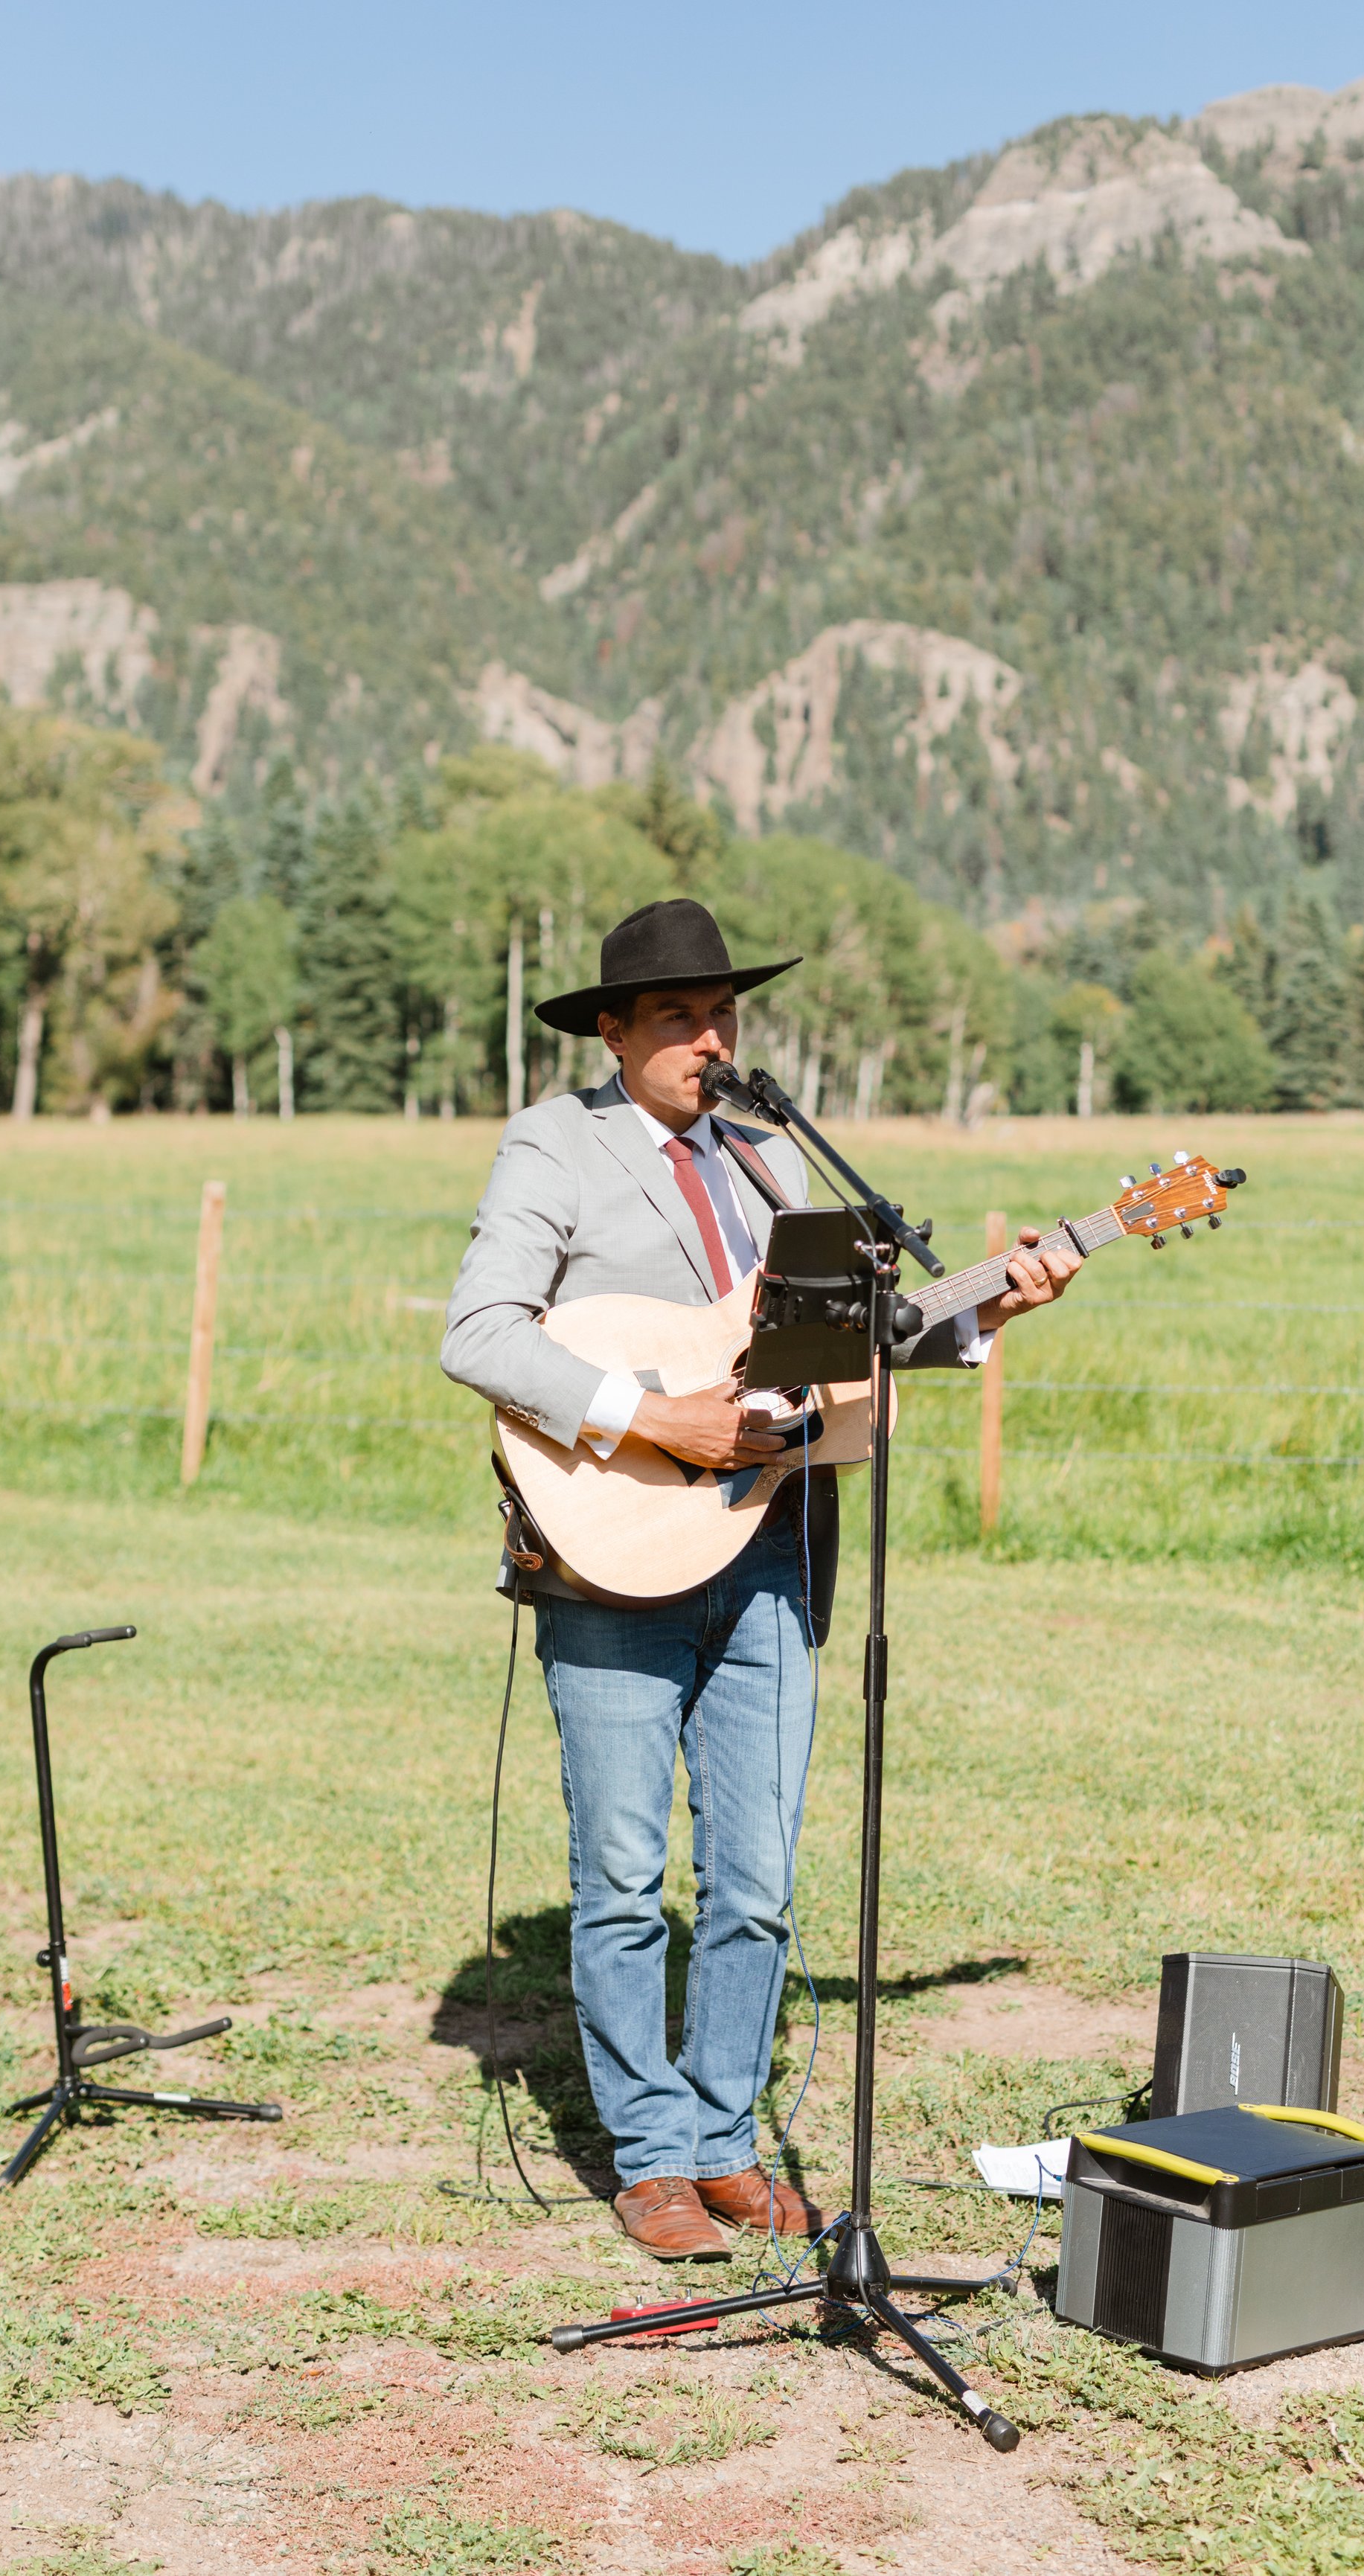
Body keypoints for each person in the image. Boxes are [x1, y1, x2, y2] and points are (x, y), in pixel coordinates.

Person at [441, 897, 1079, 2260]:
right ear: (612, 1031)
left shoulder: (771, 1160)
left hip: (776, 1553)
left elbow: (845, 1347)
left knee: (757, 1880)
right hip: (613, 1557)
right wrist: (647, 1415)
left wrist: (985, 1310)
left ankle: (724, 2133)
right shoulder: (558, 1142)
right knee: (621, 1874)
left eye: (723, 1013)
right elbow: (481, 1330)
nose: (708, 1036)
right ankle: (650, 2152)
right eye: (676, 1016)